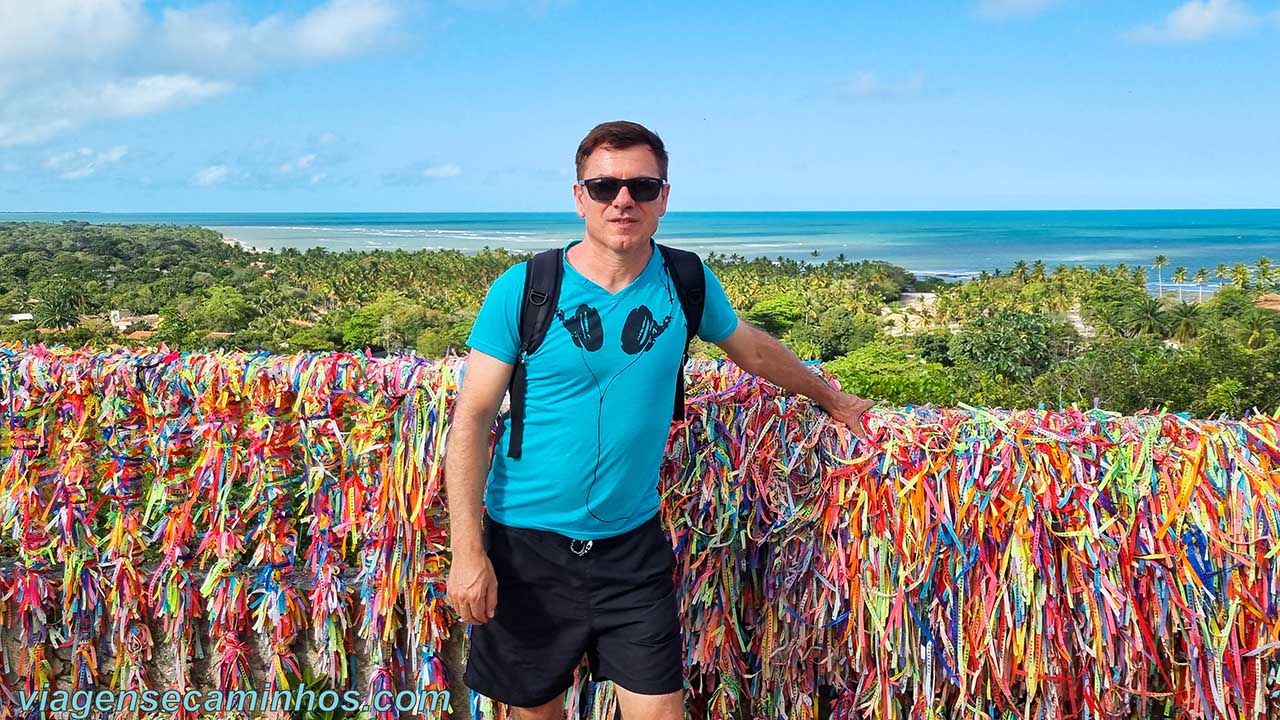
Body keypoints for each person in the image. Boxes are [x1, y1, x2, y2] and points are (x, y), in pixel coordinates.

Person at [445, 120, 875, 720]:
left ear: (664, 198)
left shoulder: (685, 281)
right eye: (604, 187)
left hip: (632, 547)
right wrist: (469, 553)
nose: (623, 201)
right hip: (526, 546)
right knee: (535, 713)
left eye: (642, 187)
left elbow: (751, 349)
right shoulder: (526, 289)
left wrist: (829, 396)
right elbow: (471, 421)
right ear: (579, 197)